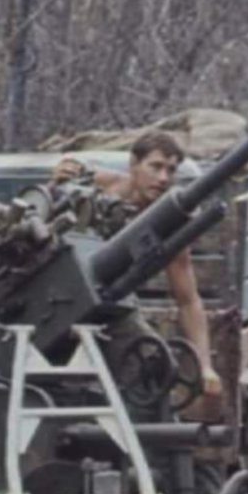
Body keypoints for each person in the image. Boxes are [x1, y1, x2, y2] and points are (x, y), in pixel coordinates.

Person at [52, 130, 221, 396]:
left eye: (170, 170)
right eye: (155, 167)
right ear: (133, 164)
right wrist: (59, 178)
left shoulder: (168, 225)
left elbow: (188, 299)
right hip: (58, 298)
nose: (163, 178)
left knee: (151, 361)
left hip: (112, 304)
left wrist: (205, 366)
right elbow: (48, 206)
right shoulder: (101, 186)